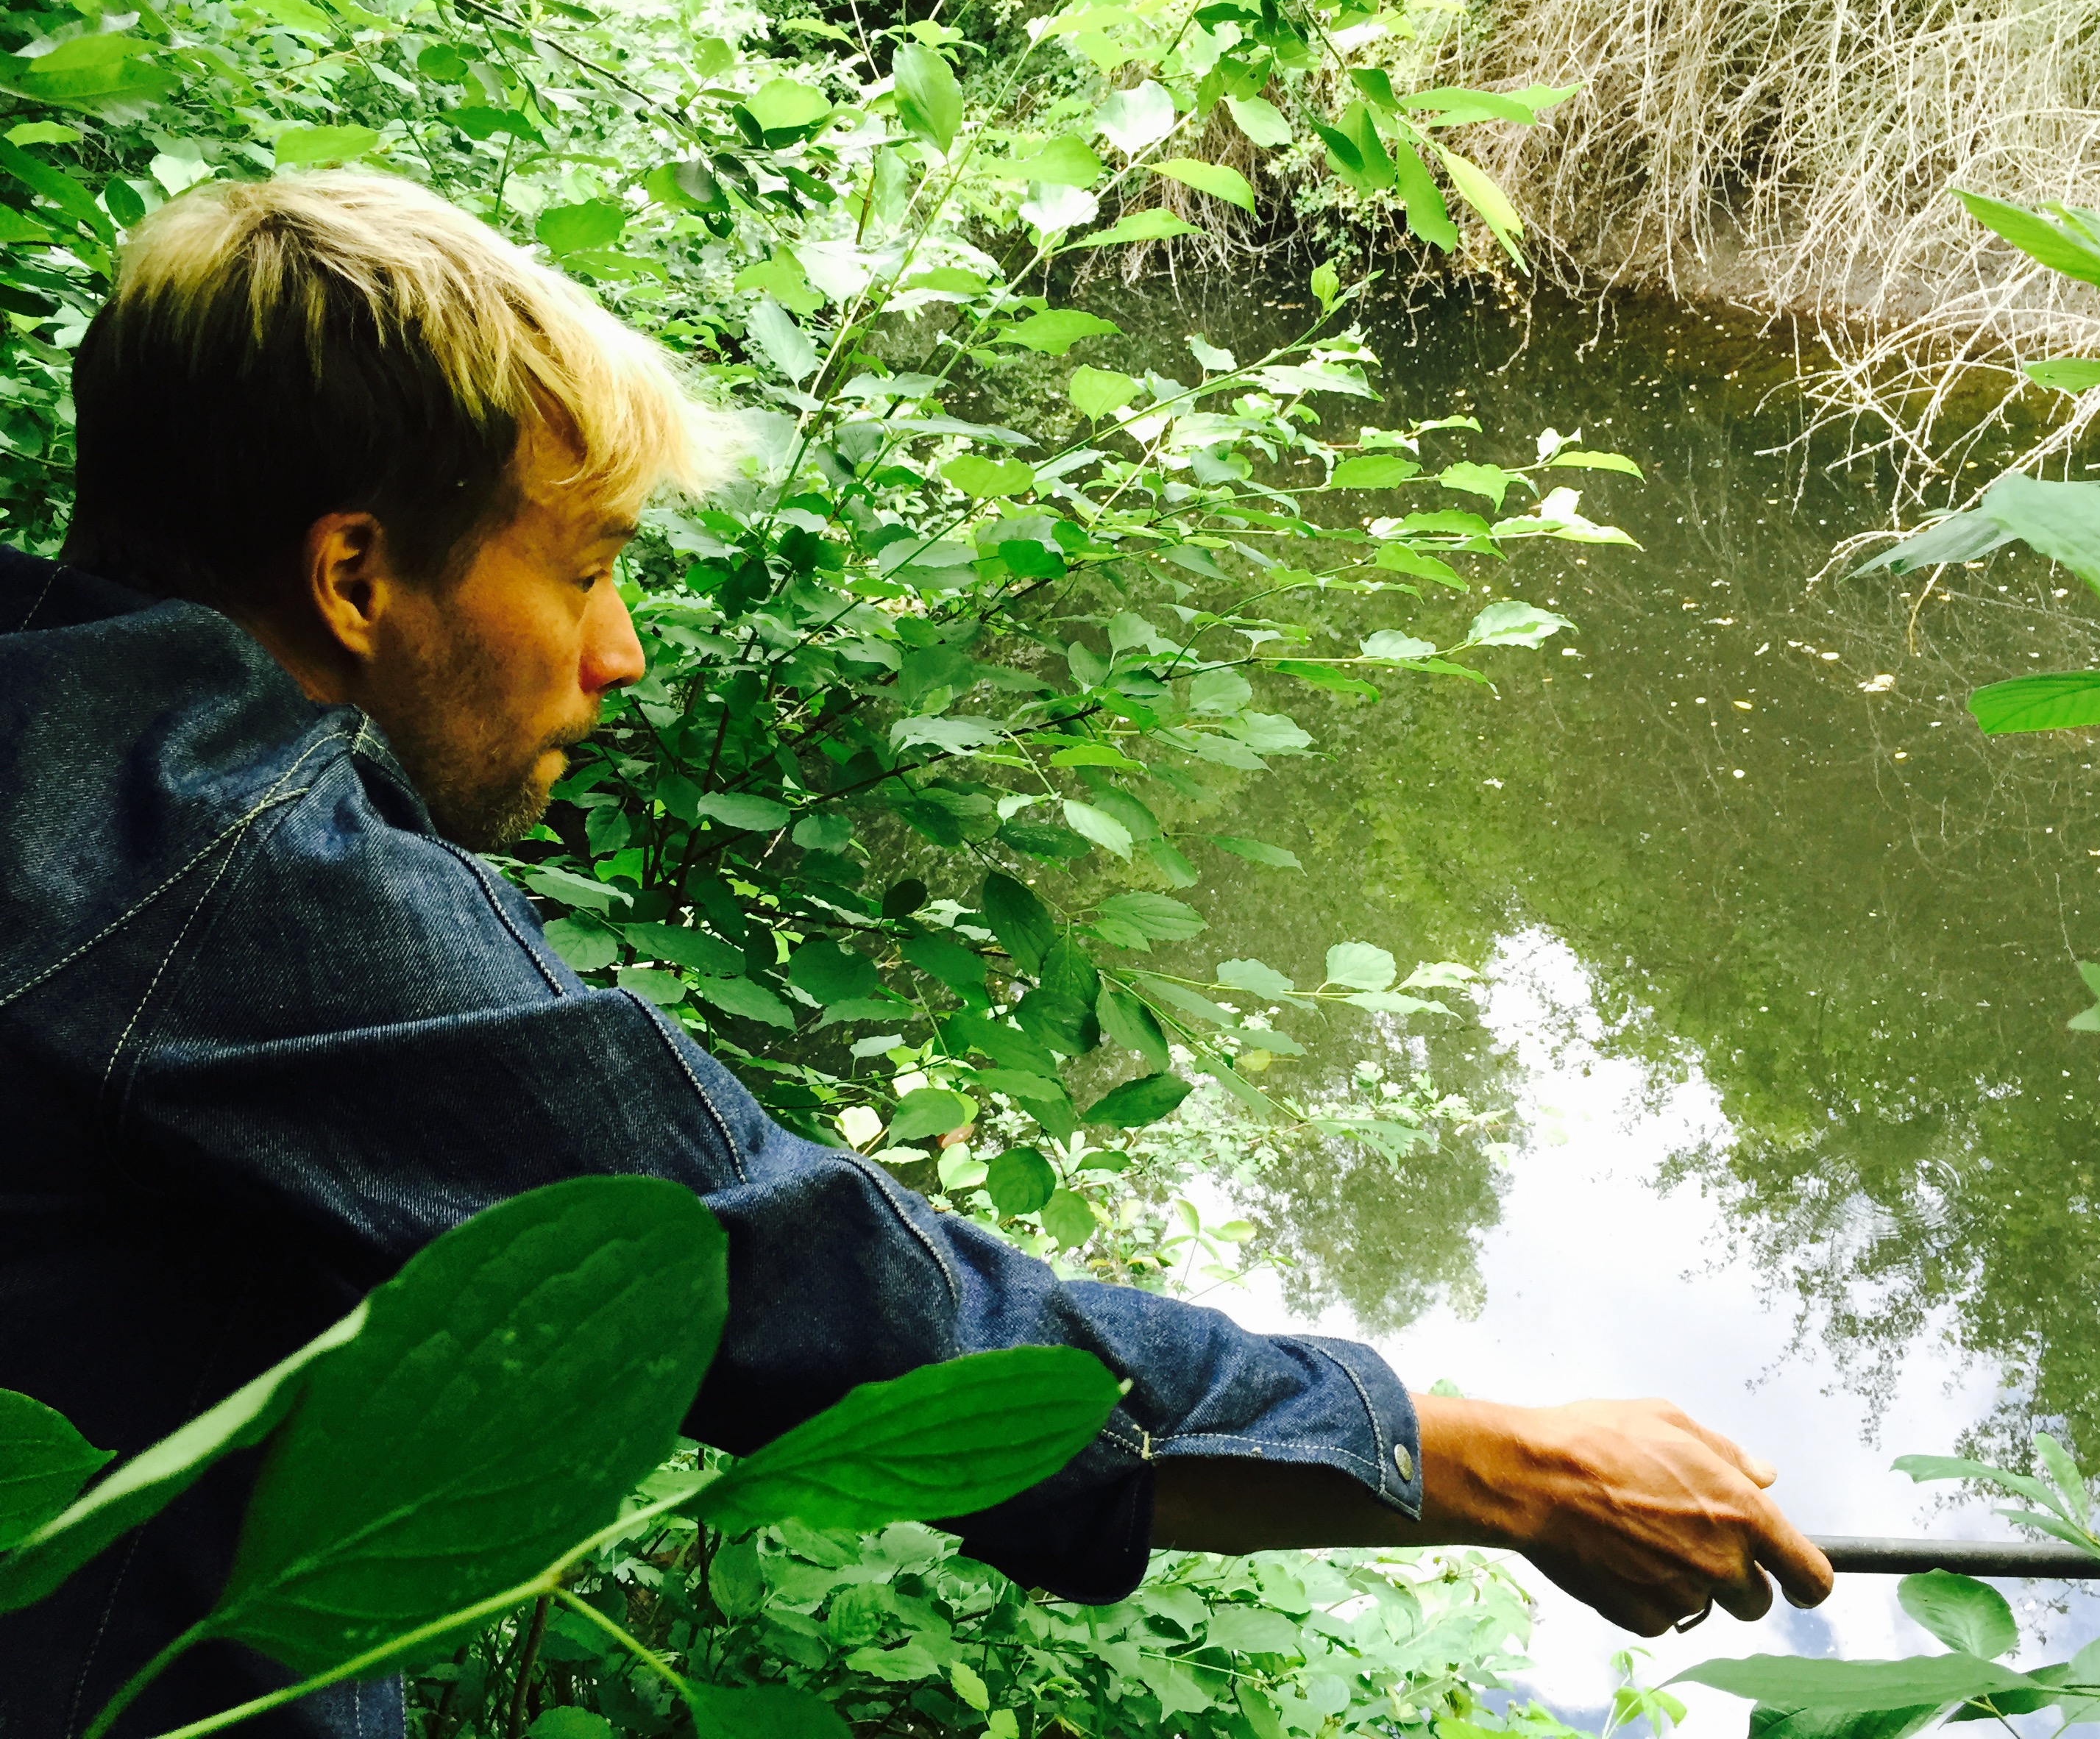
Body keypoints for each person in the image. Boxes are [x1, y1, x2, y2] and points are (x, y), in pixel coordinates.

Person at [0, 171, 1831, 1739]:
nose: (621, 654)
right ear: (354, 576)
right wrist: (1480, 1459)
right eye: (584, 570)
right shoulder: (252, 879)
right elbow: (800, 1277)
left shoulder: (56, 709)